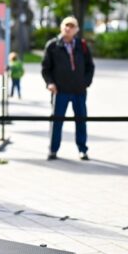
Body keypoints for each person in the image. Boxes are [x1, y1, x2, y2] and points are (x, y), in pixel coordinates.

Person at [41, 16, 95, 161]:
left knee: (81, 120)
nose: (68, 28)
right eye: (66, 25)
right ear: (61, 27)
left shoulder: (82, 45)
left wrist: (86, 82)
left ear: (76, 29)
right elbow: (46, 68)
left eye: (72, 26)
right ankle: (53, 149)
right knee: (56, 121)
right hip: (60, 90)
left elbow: (90, 66)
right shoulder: (53, 45)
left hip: (79, 90)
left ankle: (82, 149)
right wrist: (50, 83)